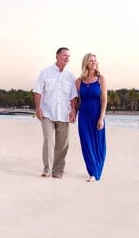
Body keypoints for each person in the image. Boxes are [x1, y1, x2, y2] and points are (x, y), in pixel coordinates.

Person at [32, 47, 79, 179]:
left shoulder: (70, 76)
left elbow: (73, 96)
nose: (67, 58)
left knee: (63, 143)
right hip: (47, 112)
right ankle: (47, 169)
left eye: (69, 56)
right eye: (65, 55)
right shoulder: (45, 72)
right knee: (48, 139)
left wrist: (73, 110)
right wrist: (38, 108)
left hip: (64, 113)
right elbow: (37, 91)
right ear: (57, 56)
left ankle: (58, 171)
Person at [76, 53, 108, 182]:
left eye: (95, 60)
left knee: (99, 143)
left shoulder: (101, 79)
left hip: (97, 114)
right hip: (83, 116)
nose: (94, 63)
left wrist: (102, 117)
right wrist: (72, 112)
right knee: (86, 144)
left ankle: (97, 169)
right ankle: (92, 173)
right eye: (91, 61)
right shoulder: (78, 82)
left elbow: (104, 99)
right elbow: (77, 101)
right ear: (86, 63)